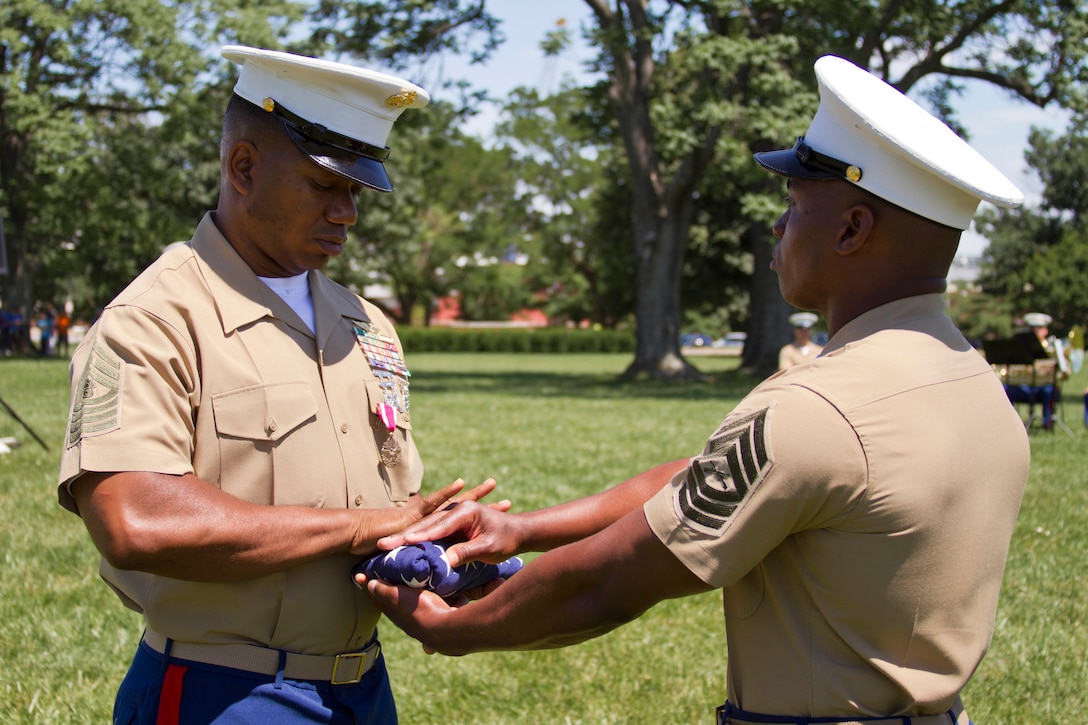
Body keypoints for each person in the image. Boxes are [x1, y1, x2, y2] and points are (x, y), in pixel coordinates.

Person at [364, 55, 1030, 724]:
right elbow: (705, 478)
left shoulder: (821, 406)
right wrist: (525, 528)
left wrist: (454, 629)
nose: (776, 227)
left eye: (794, 205)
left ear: (852, 229)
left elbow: (609, 580)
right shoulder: (975, 385)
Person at [57, 45, 500, 724]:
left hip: (363, 687)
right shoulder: (154, 319)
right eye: (325, 185)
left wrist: (436, 543)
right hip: (224, 691)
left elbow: (388, 498)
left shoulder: (364, 321)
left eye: (355, 190)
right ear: (243, 167)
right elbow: (134, 519)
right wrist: (357, 524)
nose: (347, 212)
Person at [1005, 312, 1064, 430]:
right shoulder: (1019, 349)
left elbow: (1064, 371)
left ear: (1045, 330)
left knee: (1049, 389)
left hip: (1042, 388)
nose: (1034, 331)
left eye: (1038, 328)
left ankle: (1047, 423)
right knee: (1004, 388)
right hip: (1024, 387)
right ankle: (1013, 425)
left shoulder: (1051, 348)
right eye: (1031, 328)